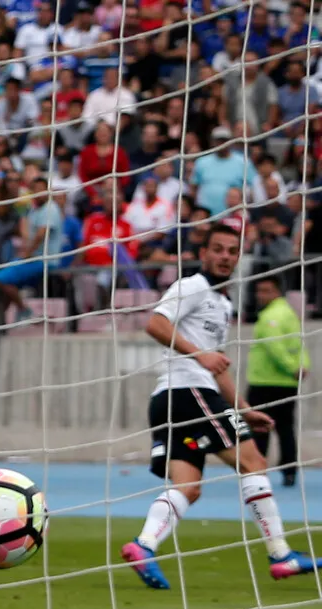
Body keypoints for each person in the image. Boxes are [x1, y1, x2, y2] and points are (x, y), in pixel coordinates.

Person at [121, 225, 318, 590]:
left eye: (232, 251)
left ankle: (143, 545)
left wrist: (242, 408)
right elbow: (155, 323)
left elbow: (219, 365)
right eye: (218, 249)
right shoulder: (192, 286)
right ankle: (280, 554)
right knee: (254, 462)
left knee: (189, 487)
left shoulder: (223, 303)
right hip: (188, 393)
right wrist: (201, 355)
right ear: (205, 253)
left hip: (174, 400)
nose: (226, 257)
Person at [246, 276, 309, 488]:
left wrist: (292, 368)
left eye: (266, 291)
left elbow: (275, 348)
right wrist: (302, 366)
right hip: (286, 384)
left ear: (277, 292)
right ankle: (289, 472)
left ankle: (257, 472)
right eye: (259, 291)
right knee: (285, 430)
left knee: (260, 429)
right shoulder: (290, 314)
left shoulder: (272, 316)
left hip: (266, 382)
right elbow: (300, 344)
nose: (261, 296)